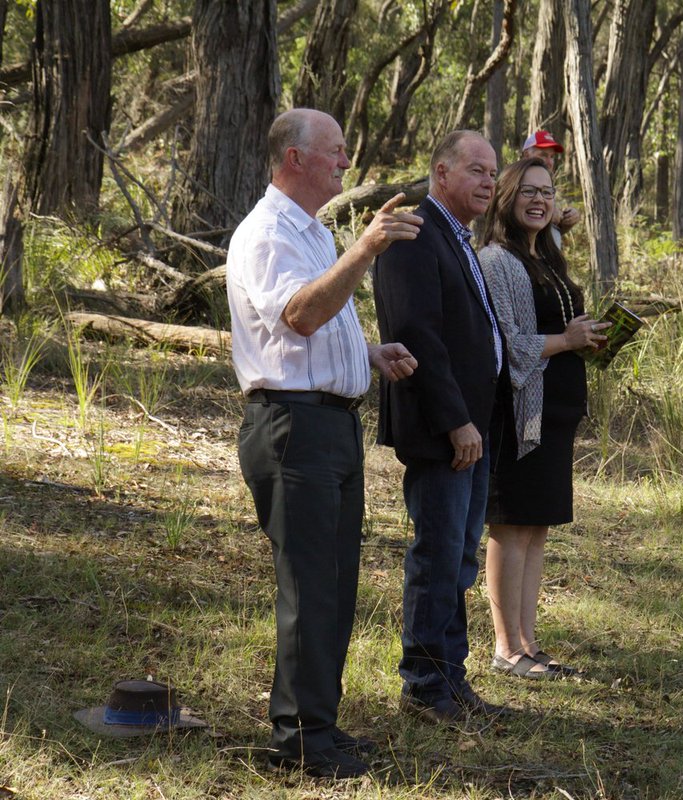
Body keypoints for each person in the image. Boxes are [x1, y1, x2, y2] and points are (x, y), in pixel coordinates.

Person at [227, 108, 421, 779]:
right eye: (335, 152)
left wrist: (365, 352)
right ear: (294, 159)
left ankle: (322, 726)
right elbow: (302, 314)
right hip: (292, 427)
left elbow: (309, 324)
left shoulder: (310, 231)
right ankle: (299, 740)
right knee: (309, 584)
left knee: (334, 583)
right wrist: (365, 251)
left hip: (330, 423)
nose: (345, 163)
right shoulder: (266, 233)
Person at [373, 130, 510, 724]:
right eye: (475, 170)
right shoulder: (413, 235)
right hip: (441, 429)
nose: (487, 181)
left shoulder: (458, 238)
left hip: (474, 426)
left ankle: (452, 679)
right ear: (441, 173)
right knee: (437, 554)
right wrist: (456, 421)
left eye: (492, 173)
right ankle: (425, 684)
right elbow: (418, 334)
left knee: (459, 556)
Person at [477, 157, 608, 680]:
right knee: (510, 527)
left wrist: (591, 338)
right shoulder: (497, 259)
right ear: (505, 197)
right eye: (528, 191)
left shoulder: (545, 258)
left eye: (547, 192)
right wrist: (566, 340)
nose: (539, 200)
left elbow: (557, 329)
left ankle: (528, 641)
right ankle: (506, 648)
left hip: (554, 416)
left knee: (536, 528)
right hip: (517, 414)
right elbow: (505, 346)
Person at [521, 130, 580, 245]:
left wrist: (567, 221)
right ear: (526, 155)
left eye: (552, 156)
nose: (549, 162)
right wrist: (546, 214)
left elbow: (543, 233)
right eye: (543, 155)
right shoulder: (514, 181)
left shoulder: (548, 185)